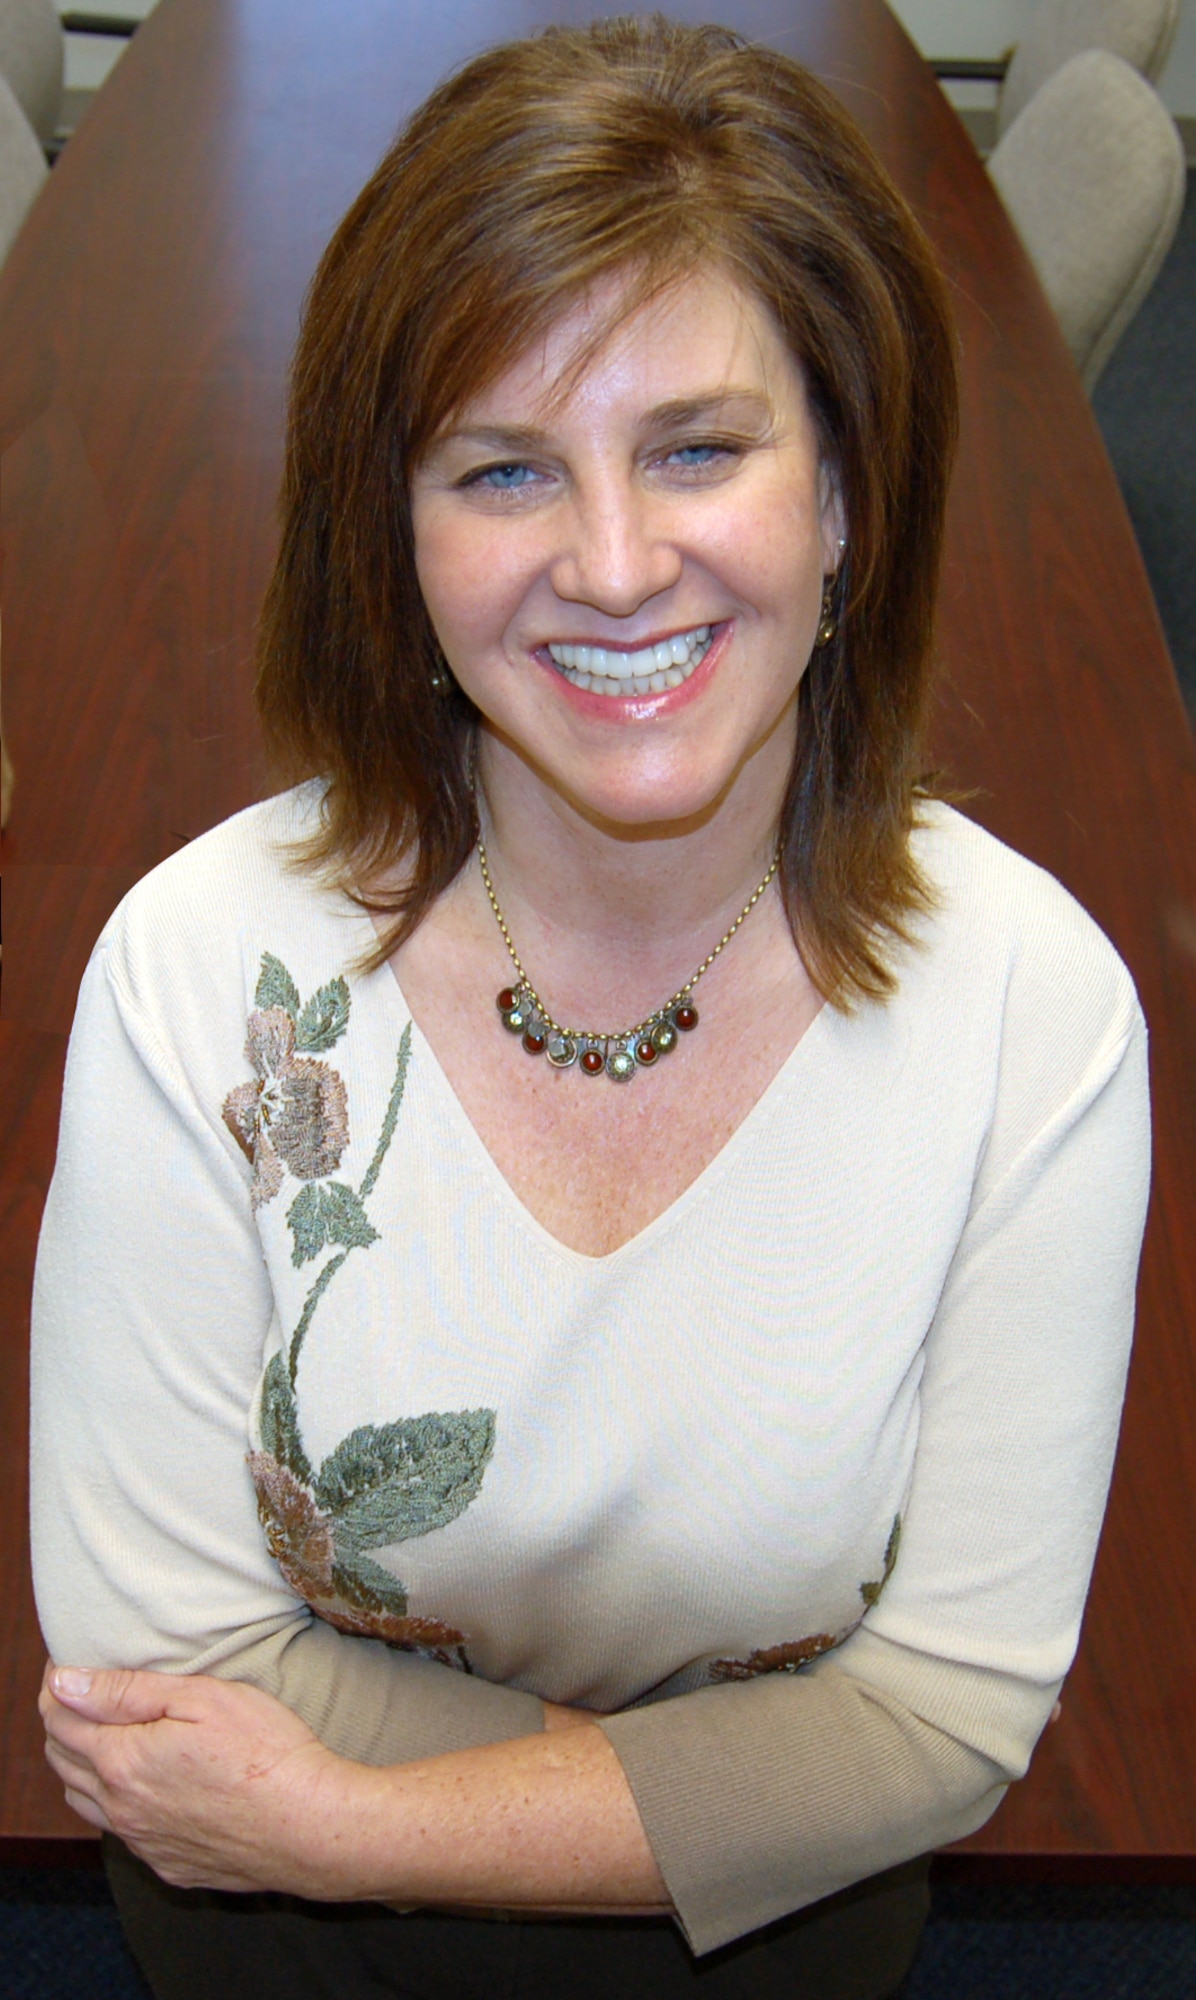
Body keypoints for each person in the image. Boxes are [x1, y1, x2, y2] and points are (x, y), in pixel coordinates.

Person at [31, 17, 1149, 2000]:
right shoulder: (202, 973)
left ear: (848, 502)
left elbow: (944, 1725)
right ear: (395, 532)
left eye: (702, 447)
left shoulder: (1028, 1011)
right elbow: (161, 1680)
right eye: (504, 467)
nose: (615, 565)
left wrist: (333, 1815)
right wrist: (754, 1778)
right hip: (283, 1949)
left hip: (713, 1942)